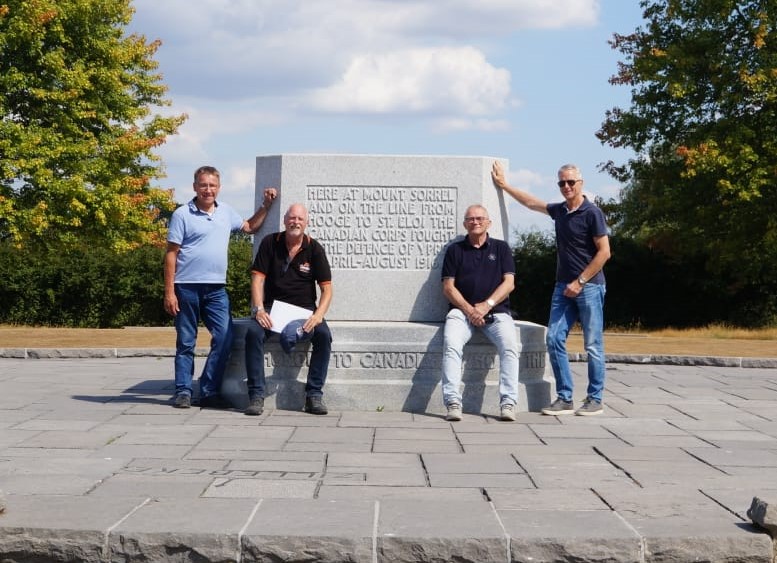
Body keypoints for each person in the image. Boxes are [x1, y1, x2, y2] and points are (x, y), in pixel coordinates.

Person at [491, 161, 611, 416]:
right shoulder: (560, 211)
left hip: (588, 287)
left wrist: (580, 282)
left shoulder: (592, 213)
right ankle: (565, 397)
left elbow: (604, 253)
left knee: (593, 344)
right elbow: (531, 203)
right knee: (554, 338)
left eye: (570, 182)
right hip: (562, 287)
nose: (566, 186)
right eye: (561, 183)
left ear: (581, 183)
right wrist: (504, 185)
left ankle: (595, 398)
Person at [164, 165, 277, 409]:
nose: (208, 190)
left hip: (216, 289)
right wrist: (169, 292)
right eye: (203, 185)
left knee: (225, 338)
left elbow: (248, 227)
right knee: (186, 341)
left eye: (212, 185)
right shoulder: (182, 214)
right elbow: (171, 255)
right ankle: (183, 391)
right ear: (195, 187)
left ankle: (208, 390)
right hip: (186, 287)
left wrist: (266, 206)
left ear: (219, 188)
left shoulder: (225, 212)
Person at [244, 203, 333, 416]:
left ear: (306, 222)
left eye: (300, 219)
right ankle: (256, 395)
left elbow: (327, 289)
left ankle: (314, 395)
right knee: (252, 333)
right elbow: (257, 279)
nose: (295, 222)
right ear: (285, 220)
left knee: (324, 337)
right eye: (292, 218)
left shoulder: (314, 248)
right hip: (272, 310)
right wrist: (258, 309)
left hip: (304, 313)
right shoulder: (270, 243)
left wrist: (318, 315)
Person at [440, 204, 520, 422]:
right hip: (461, 312)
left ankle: (508, 402)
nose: (475, 222)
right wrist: (469, 310)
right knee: (451, 345)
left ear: (488, 223)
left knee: (510, 347)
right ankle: (453, 402)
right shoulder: (455, 250)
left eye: (479, 218)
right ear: (465, 224)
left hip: (497, 313)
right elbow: (448, 287)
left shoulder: (501, 248)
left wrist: (486, 305)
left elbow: (509, 283)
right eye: (471, 219)